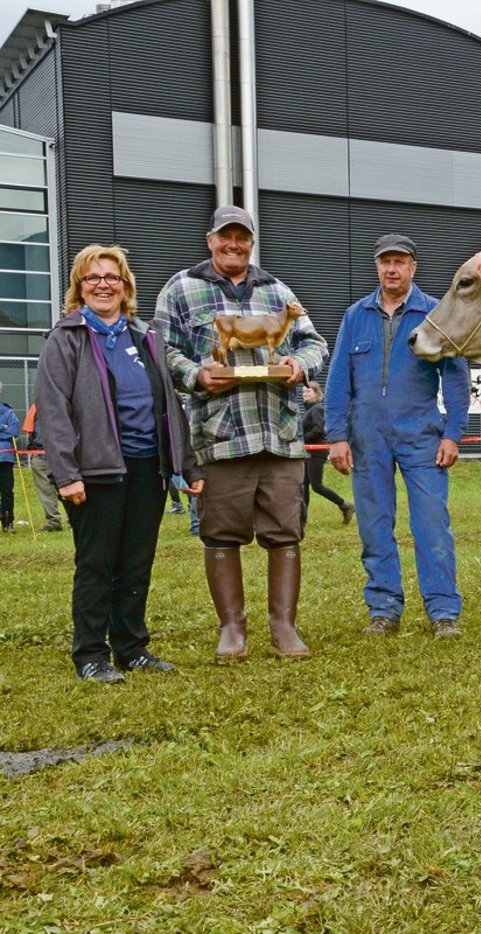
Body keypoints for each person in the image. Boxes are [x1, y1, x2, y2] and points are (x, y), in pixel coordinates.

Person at [153, 205, 328, 661]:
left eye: (243, 238)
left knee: (285, 532)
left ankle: (283, 628)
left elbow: (314, 343)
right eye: (225, 237)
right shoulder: (180, 289)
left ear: (252, 242)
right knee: (220, 533)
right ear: (210, 239)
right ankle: (232, 627)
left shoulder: (278, 290)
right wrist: (196, 374)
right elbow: (161, 350)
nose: (234, 245)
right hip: (220, 436)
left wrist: (298, 364)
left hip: (280, 434)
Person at [36, 244, 203, 682]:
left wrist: (187, 464)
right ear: (80, 287)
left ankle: (131, 647)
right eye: (93, 278)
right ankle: (90, 654)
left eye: (112, 277)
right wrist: (66, 474)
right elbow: (52, 411)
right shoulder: (66, 338)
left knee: (135, 563)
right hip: (96, 473)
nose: (103, 285)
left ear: (126, 286)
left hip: (148, 470)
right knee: (97, 563)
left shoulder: (145, 337)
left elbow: (169, 404)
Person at [325, 234, 468, 637]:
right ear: (377, 267)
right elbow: (338, 381)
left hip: (421, 433)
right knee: (374, 525)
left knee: (432, 524)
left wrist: (453, 433)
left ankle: (443, 612)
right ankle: (384, 608)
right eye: (385, 261)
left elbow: (456, 379)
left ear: (413, 268)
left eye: (400, 262)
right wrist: (337, 435)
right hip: (367, 436)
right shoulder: (355, 316)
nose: (392, 269)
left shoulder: (436, 314)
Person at [300, 380, 354, 526]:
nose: (304, 394)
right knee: (304, 485)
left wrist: (302, 439)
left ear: (316, 394)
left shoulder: (316, 409)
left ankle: (345, 505)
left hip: (316, 451)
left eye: (308, 391)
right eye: (303, 391)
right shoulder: (310, 409)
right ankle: (302, 519)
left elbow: (319, 429)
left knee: (316, 485)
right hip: (309, 450)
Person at [21, 404, 64, 532]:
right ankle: (54, 521)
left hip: (60, 453)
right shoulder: (36, 406)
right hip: (42, 452)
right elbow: (29, 429)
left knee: (64, 485)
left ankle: (67, 519)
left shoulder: (65, 403)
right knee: (46, 488)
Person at [0, 389, 20, 532]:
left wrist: (6, 429)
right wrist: (2, 427)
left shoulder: (7, 411)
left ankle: (7, 522)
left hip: (5, 458)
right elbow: (7, 430)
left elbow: (14, 430)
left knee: (7, 491)